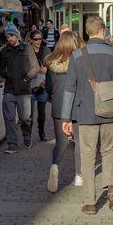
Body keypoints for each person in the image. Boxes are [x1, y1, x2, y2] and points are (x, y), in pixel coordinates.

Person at [59, 16, 113, 215]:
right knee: (109, 151)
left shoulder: (77, 55)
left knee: (88, 155)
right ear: (103, 30)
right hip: (110, 112)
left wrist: (66, 118)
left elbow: (69, 89)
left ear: (88, 32)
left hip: (86, 113)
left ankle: (90, 202)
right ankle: (112, 190)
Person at [43, 30, 83, 193]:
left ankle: (55, 165)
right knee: (80, 142)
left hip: (59, 107)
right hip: (78, 106)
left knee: (61, 142)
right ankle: (79, 176)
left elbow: (48, 87)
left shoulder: (51, 64)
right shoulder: (79, 62)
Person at [0, 26, 41, 153]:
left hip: (24, 90)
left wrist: (26, 79)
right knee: (9, 117)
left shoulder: (27, 49)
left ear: (17, 36)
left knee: (25, 118)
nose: (9, 38)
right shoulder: (4, 52)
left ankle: (27, 136)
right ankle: (12, 144)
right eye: (7, 37)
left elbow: (36, 67)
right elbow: (1, 70)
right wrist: (8, 75)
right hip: (9, 89)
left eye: (11, 36)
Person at [28, 29, 51, 142]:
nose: (38, 41)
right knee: (29, 114)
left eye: (40, 39)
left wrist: (40, 68)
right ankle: (28, 136)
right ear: (31, 40)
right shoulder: (28, 51)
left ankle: (41, 132)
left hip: (42, 84)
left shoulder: (45, 50)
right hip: (30, 85)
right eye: (35, 39)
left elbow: (46, 69)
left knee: (41, 113)